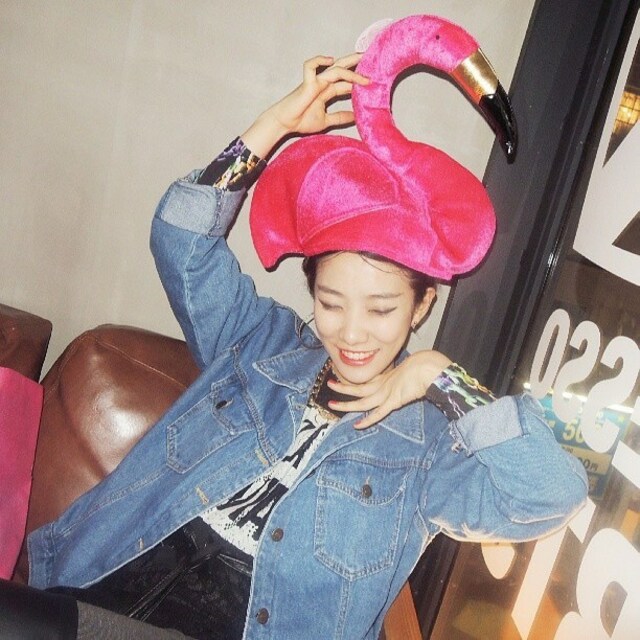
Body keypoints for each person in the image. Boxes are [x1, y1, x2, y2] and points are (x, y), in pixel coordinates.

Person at [1, 44, 587, 640]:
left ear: (422, 305)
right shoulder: (262, 344)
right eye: (330, 303)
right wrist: (273, 126)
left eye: (381, 309)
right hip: (105, 588)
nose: (351, 333)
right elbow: (181, 238)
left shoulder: (431, 448)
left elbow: (550, 494)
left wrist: (447, 380)